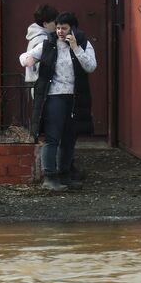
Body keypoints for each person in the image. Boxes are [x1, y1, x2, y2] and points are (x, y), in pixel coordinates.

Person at [29, 12, 97, 192]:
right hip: (54, 96)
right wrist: (29, 60)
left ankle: (64, 174)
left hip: (74, 97)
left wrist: (76, 48)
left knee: (69, 138)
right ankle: (50, 177)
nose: (60, 31)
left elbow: (91, 66)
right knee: (52, 136)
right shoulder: (49, 44)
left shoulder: (83, 44)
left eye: (64, 28)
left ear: (72, 29)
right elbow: (25, 57)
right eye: (58, 27)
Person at [19, 4, 58, 93]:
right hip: (42, 86)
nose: (57, 25)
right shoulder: (42, 39)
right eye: (55, 22)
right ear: (45, 24)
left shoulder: (38, 35)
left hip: (37, 85)